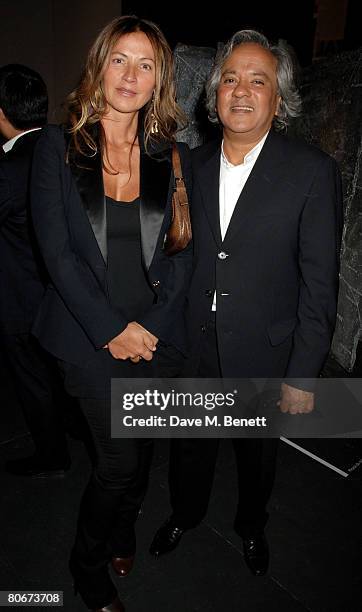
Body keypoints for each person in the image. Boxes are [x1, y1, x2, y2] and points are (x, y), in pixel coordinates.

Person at [150, 29, 343, 577]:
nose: (240, 90)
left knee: (257, 456)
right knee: (190, 448)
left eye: (257, 80)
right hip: (196, 346)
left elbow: (319, 284)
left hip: (266, 350)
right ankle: (185, 515)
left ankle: (251, 526)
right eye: (229, 79)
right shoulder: (192, 165)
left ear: (277, 99)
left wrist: (303, 375)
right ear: (214, 96)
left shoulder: (311, 171)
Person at [30, 16, 192, 612]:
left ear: (159, 80)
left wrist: (151, 327)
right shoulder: (56, 145)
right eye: (120, 59)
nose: (131, 74)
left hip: (156, 337)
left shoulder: (168, 154)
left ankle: (124, 528)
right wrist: (111, 331)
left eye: (146, 64)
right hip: (88, 337)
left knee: (143, 448)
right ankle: (86, 567)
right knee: (118, 461)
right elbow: (57, 253)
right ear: (99, 65)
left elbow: (183, 251)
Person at [0, 64, 70, 477]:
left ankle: (52, 457)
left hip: (21, 298)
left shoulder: (9, 168)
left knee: (32, 381)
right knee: (58, 373)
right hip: (62, 293)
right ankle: (76, 429)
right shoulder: (65, 148)